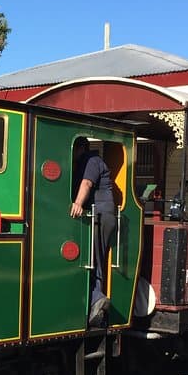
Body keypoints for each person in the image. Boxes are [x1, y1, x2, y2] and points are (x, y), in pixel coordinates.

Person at [71, 139, 116, 327]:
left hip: (100, 213)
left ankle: (97, 299)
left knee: (95, 259)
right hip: (99, 213)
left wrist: (78, 203)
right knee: (93, 258)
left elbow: (87, 183)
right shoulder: (88, 161)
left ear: (80, 148)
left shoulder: (91, 160)